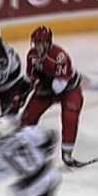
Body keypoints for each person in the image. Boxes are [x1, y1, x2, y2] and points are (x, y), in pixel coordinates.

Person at [20, 26, 85, 167]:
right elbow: (30, 78)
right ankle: (29, 146)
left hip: (69, 89)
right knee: (27, 119)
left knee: (70, 116)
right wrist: (21, 94)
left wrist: (43, 78)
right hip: (47, 88)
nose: (37, 47)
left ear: (48, 43)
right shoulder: (32, 55)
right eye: (35, 43)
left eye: (41, 43)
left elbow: (58, 87)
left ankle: (67, 153)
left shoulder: (59, 56)